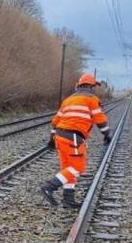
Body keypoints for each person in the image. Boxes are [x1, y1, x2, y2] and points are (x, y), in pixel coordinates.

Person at [40, 73, 111, 208]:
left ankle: (68, 201)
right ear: (91, 86)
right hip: (73, 136)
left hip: (60, 136)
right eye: (94, 87)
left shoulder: (68, 100)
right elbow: (100, 119)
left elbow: (55, 121)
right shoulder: (91, 99)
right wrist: (107, 135)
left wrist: (51, 140)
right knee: (78, 167)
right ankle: (49, 186)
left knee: (68, 169)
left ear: (79, 85)